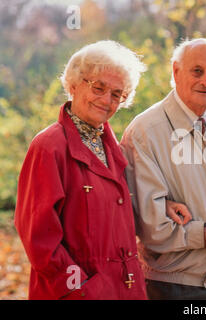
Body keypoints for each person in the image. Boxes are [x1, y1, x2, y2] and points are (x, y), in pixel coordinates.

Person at [14, 40, 191, 300]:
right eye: (98, 88)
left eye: (117, 94)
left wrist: (160, 205)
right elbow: (39, 239)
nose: (106, 100)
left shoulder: (112, 147)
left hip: (126, 289)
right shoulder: (49, 147)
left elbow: (113, 204)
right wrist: (81, 288)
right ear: (73, 85)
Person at [120, 38, 206, 300]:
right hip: (175, 288)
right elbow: (150, 225)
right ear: (176, 71)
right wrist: (202, 236)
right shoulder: (145, 133)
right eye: (197, 71)